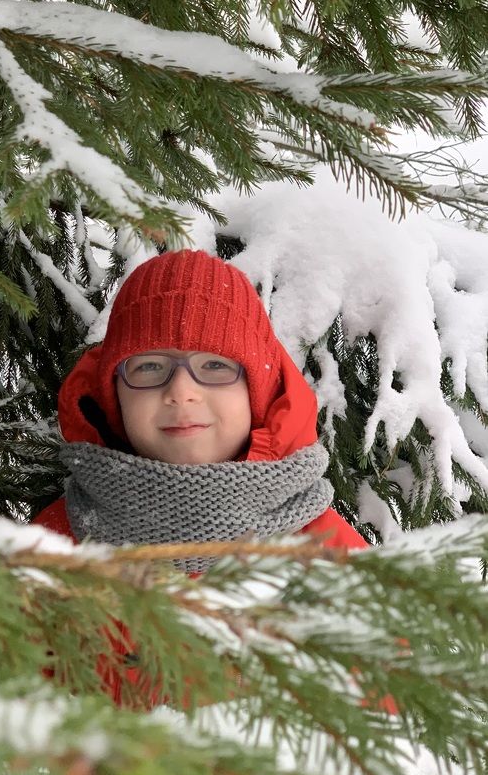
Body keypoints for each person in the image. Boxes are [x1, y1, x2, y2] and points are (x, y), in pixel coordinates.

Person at [33, 249, 368, 704]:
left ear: (257, 389)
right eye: (149, 366)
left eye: (214, 366)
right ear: (114, 394)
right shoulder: (49, 553)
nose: (181, 391)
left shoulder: (333, 560)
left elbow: (390, 726)